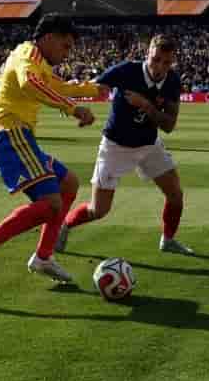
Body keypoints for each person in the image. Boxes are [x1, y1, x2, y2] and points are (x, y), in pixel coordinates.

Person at [0, 15, 99, 291]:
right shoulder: (28, 52)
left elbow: (56, 86)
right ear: (47, 38)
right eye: (65, 46)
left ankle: (44, 257)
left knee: (68, 182)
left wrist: (94, 88)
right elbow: (29, 84)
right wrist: (73, 108)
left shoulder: (39, 62)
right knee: (51, 204)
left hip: (19, 138)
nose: (66, 53)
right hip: (10, 135)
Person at [57, 33, 193, 256]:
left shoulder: (172, 82)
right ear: (147, 54)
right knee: (98, 210)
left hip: (149, 146)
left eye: (166, 62)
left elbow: (169, 125)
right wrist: (71, 101)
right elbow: (96, 87)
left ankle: (168, 240)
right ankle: (64, 225)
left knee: (175, 195)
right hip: (115, 146)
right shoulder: (126, 71)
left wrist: (147, 106)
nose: (160, 66)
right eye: (156, 59)